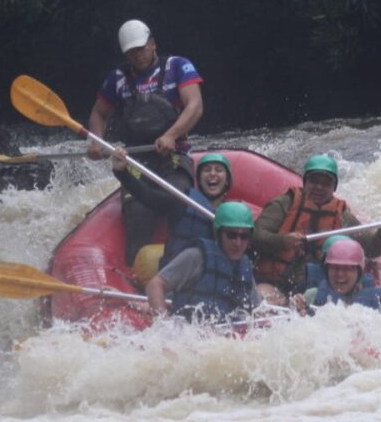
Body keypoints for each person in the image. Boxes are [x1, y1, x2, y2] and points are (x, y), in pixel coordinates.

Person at [88, 20, 204, 265]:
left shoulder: (178, 66)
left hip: (174, 156)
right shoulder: (117, 79)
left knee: (175, 201)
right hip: (136, 162)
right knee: (138, 214)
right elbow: (99, 113)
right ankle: (136, 277)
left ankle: (182, 267)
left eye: (141, 49)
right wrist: (96, 140)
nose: (137, 56)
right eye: (131, 52)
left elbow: (195, 106)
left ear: (152, 44)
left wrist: (172, 135)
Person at [251, 154, 381, 302]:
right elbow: (256, 235)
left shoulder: (343, 217)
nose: (319, 187)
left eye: (326, 183)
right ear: (305, 182)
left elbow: (370, 249)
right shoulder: (284, 204)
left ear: (334, 187)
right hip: (277, 283)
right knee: (263, 296)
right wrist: (282, 241)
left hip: (318, 289)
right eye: (314, 181)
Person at [110, 150, 233, 279]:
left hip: (214, 279)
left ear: (227, 180)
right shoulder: (182, 201)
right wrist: (122, 173)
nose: (212, 174)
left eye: (218, 170)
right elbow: (148, 196)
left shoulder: (236, 214)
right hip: (177, 281)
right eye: (207, 170)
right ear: (199, 179)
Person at [145, 201, 261, 323]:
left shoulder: (245, 267)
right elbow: (154, 285)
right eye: (231, 235)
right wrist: (164, 323)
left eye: (244, 236)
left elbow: (256, 312)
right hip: (188, 332)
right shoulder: (196, 256)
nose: (238, 243)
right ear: (219, 233)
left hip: (224, 336)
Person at [295, 239, 381, 314]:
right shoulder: (312, 295)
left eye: (347, 269)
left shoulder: (374, 303)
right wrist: (297, 311)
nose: (340, 274)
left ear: (358, 272)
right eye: (335, 268)